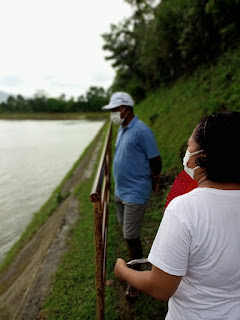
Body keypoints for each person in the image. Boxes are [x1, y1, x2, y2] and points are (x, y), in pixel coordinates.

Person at [114, 111, 240, 319]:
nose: (186, 153)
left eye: (190, 146)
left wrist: (123, 271)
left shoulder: (185, 209)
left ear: (202, 158)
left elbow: (161, 288)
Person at [102, 91, 162, 299]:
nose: (112, 114)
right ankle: (135, 267)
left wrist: (154, 179)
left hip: (135, 193)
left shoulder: (142, 131)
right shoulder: (123, 128)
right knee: (128, 233)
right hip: (121, 191)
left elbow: (156, 160)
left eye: (114, 110)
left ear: (125, 109)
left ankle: (136, 279)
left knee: (131, 236)